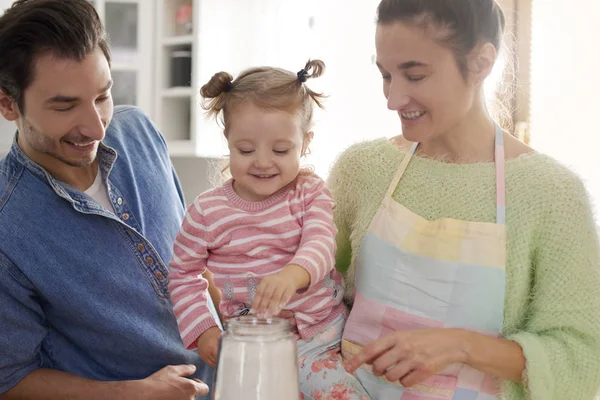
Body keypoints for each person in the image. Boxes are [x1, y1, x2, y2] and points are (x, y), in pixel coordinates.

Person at [328, 0, 600, 399]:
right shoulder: (361, 170)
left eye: (415, 75)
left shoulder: (550, 193)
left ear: (480, 63)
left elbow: (583, 358)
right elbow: (307, 295)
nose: (393, 98)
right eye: (386, 75)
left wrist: (461, 345)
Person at [0, 1, 215, 399]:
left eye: (102, 96)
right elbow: (10, 379)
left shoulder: (139, 131)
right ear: (7, 103)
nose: (96, 127)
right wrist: (131, 393)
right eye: (65, 106)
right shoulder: (6, 225)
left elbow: (192, 259)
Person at [168, 60, 369, 399]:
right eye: (246, 150)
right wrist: (204, 330)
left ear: (305, 143)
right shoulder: (206, 212)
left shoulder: (310, 192)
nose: (262, 162)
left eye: (280, 150)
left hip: (320, 339)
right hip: (250, 348)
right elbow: (182, 275)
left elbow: (321, 242)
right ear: (228, 140)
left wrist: (292, 275)